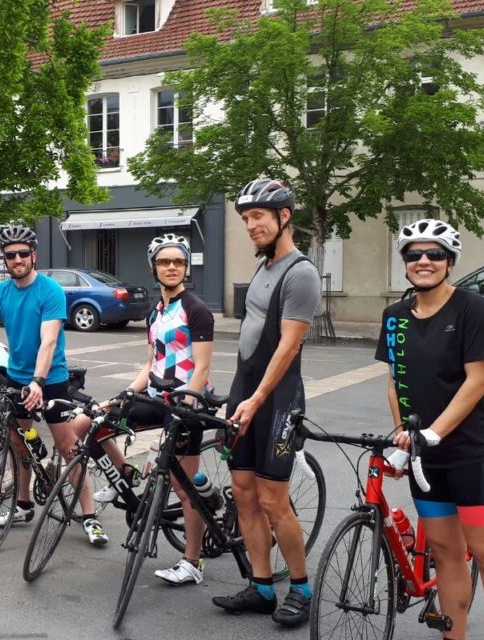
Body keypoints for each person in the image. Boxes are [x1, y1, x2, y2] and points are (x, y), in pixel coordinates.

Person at [378, 219, 484, 640]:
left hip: (477, 454)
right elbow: (394, 381)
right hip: (427, 459)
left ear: (449, 261)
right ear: (404, 263)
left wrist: (435, 432)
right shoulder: (394, 317)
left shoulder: (473, 309)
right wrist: (404, 434)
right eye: (414, 254)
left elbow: (477, 380)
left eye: (434, 254)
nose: (424, 261)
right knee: (446, 555)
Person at [211, 178, 321, 627]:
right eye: (245, 218)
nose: (251, 225)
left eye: (258, 216)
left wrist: (257, 399)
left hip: (277, 401)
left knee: (275, 500)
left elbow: (288, 347)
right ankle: (260, 587)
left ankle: (299, 588)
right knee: (242, 494)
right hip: (246, 392)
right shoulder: (264, 266)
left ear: (284, 217)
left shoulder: (301, 273)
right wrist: (240, 396)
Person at [0, 224, 108, 546]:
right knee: (18, 444)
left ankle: (90, 515)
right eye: (10, 255)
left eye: (23, 253)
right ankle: (24, 504)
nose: (17, 259)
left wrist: (38, 381)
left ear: (33, 255)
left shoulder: (50, 290)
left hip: (50, 379)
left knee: (68, 448)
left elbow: (49, 340)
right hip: (16, 378)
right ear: (5, 259)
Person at [90, 233, 215, 584]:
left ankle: (193, 561)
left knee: (183, 486)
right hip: (156, 398)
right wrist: (122, 396)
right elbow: (150, 365)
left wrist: (187, 400)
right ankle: (123, 477)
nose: (171, 267)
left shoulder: (196, 309)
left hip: (186, 403)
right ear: (154, 267)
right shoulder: (155, 311)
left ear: (186, 266)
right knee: (92, 424)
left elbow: (202, 368)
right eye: (164, 261)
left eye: (177, 261)